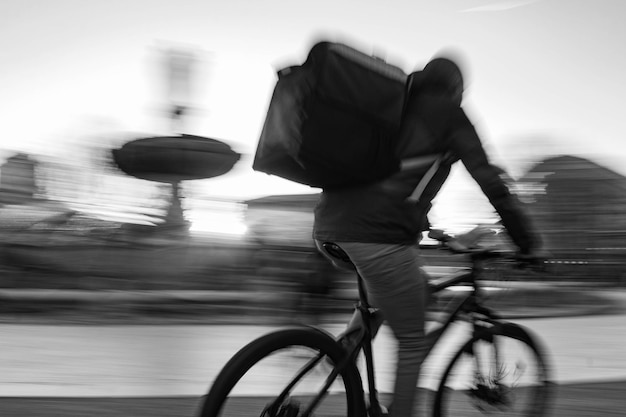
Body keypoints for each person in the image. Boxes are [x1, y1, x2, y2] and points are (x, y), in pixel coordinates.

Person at [313, 55, 542, 417]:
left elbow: (399, 180)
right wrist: (527, 243)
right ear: (456, 90)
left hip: (329, 225)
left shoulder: (394, 107)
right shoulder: (449, 114)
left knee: (415, 291)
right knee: (413, 341)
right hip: (377, 236)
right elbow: (490, 181)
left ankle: (342, 355)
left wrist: (431, 229)